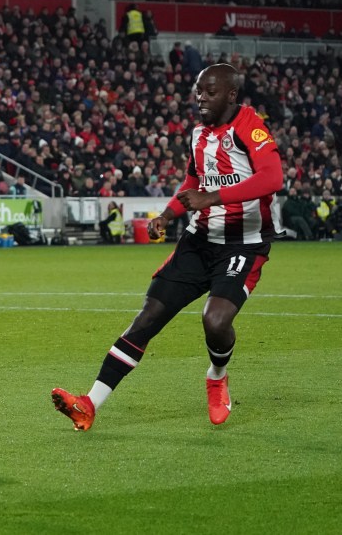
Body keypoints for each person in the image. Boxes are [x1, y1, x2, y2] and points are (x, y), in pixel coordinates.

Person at [52, 64, 283, 430]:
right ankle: (89, 403)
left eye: (209, 91)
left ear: (231, 95)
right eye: (198, 91)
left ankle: (217, 376)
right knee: (147, 318)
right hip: (198, 242)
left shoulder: (250, 127)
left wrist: (212, 198)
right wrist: (167, 214)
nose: (201, 97)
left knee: (216, 319)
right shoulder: (198, 135)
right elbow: (194, 180)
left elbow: (273, 178)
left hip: (244, 244)